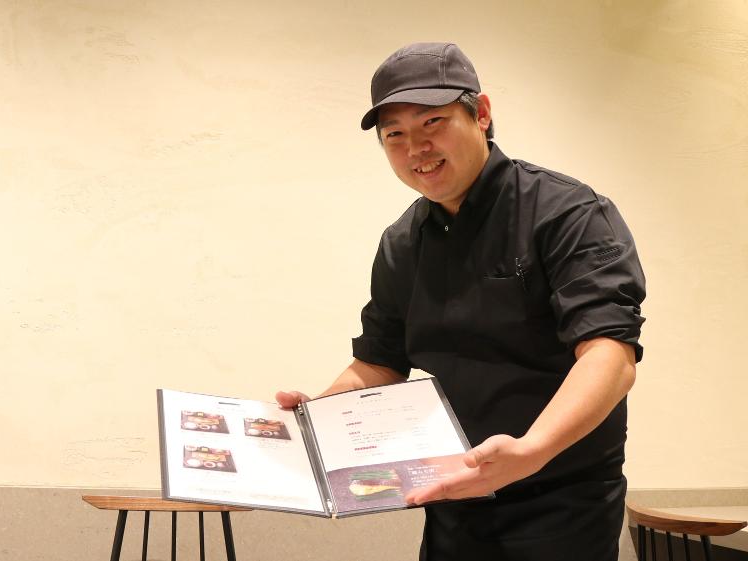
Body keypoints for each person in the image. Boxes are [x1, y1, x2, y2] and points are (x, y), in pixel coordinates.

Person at [277, 42, 646, 561]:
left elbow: (610, 355)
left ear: (482, 114)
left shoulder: (567, 213)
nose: (416, 148)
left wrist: (531, 450)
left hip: (561, 502)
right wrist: (316, 419)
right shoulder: (403, 242)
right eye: (395, 135)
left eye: (432, 122)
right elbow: (379, 361)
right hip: (452, 499)